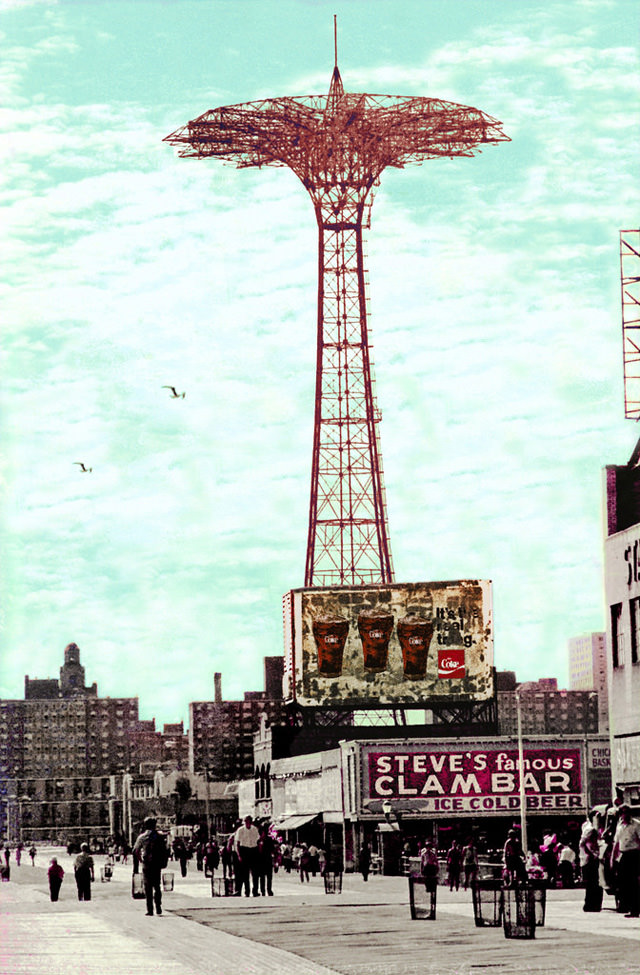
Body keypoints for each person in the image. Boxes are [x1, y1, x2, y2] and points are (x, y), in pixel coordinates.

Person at [133, 816, 169, 917]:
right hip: (157, 864)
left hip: (147, 865)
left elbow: (135, 850)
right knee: (157, 886)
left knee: (148, 887)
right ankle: (158, 906)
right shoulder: (160, 836)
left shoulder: (142, 837)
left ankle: (150, 909)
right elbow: (165, 850)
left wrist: (140, 860)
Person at [612, 804, 640, 918]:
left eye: (626, 812)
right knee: (624, 883)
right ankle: (626, 906)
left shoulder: (636, 825)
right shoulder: (620, 826)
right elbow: (616, 843)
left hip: (634, 854)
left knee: (634, 883)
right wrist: (612, 859)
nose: (625, 815)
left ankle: (635, 909)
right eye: (622, 813)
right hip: (623, 855)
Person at [579, 814, 602, 912]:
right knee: (593, 883)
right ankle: (592, 905)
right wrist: (593, 854)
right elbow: (584, 843)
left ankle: (590, 904)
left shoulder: (587, 827)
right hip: (590, 859)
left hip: (586, 858)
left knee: (591, 883)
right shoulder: (590, 829)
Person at [234, 815, 260, 897]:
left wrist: (258, 852)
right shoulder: (240, 830)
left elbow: (258, 841)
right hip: (244, 850)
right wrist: (239, 855)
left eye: (249, 821)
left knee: (255, 873)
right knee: (245, 874)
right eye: (246, 821)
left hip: (253, 850)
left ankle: (255, 891)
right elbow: (237, 843)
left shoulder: (254, 829)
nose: (247, 823)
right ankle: (247, 891)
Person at [257, 824, 275, 896]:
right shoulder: (258, 841)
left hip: (268, 859)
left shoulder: (269, 840)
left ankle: (269, 890)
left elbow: (272, 849)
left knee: (269, 876)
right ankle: (263, 890)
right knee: (262, 877)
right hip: (261, 860)